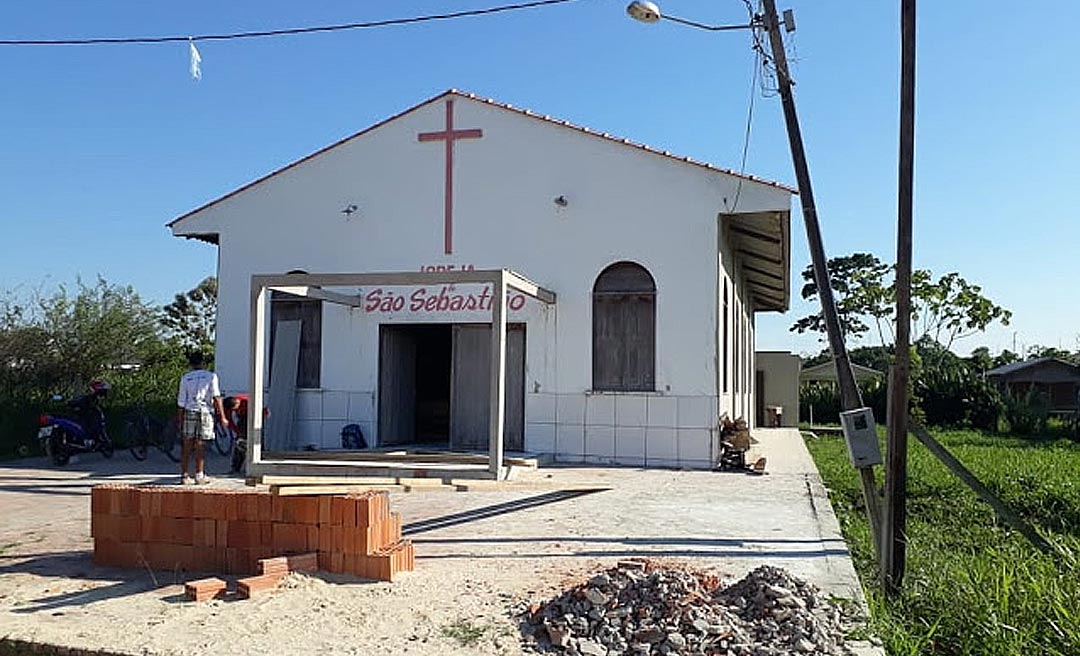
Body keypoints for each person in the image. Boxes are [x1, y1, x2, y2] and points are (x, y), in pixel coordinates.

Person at [176, 351, 227, 485]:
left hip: (189, 410)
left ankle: (184, 475)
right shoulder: (211, 376)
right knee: (200, 444)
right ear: (203, 362)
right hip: (205, 411)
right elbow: (216, 397)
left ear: (190, 363)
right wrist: (222, 416)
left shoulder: (186, 378)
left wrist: (180, 420)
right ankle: (199, 474)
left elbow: (181, 402)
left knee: (187, 444)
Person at [223, 393, 249, 474]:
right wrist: (237, 431)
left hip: (251, 416)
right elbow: (229, 420)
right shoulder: (228, 406)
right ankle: (235, 467)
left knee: (253, 443)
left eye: (235, 409)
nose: (234, 411)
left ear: (237, 403)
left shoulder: (246, 401)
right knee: (239, 445)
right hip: (242, 419)